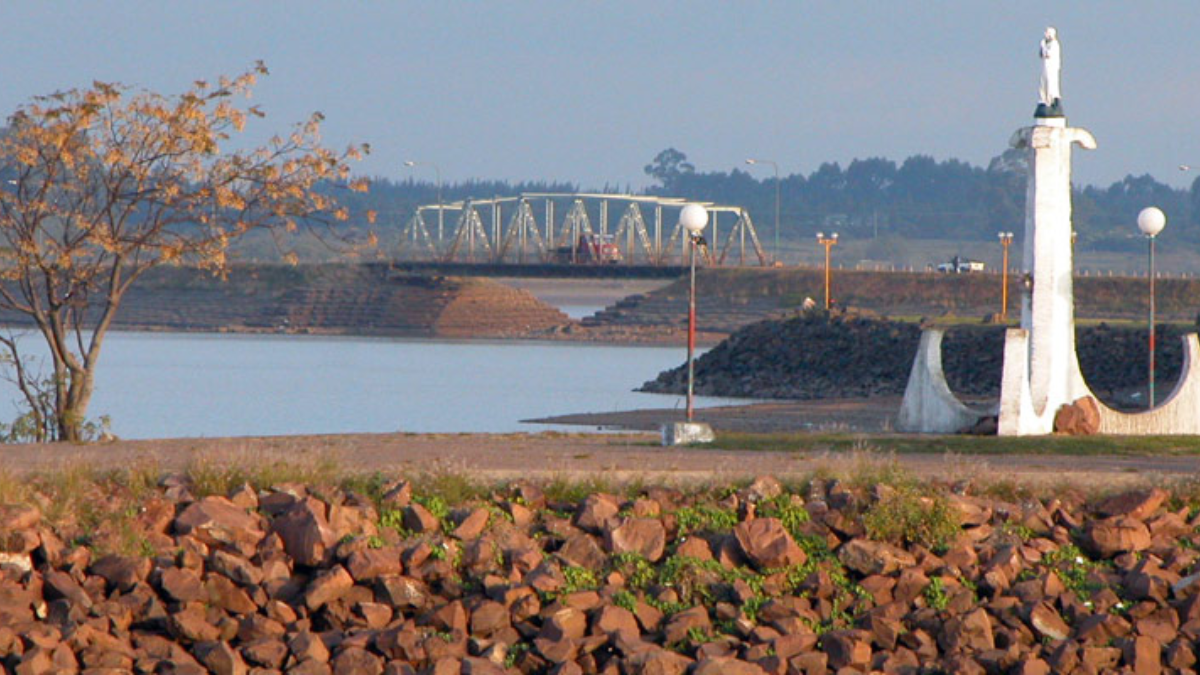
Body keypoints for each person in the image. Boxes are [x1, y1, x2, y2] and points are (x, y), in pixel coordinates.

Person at [1039, 27, 1062, 109]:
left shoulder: (1054, 44)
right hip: (1045, 66)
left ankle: (1049, 100)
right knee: (1043, 82)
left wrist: (1043, 47)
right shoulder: (1045, 43)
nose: (1045, 34)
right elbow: (1041, 54)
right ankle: (1043, 99)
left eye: (1047, 33)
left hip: (1051, 67)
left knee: (1050, 83)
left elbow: (1048, 54)